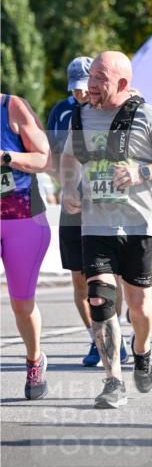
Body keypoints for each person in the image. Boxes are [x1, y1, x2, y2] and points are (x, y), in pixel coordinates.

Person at [60, 51, 152, 408]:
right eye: (91, 78)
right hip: (95, 224)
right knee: (100, 300)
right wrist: (70, 188)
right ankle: (113, 380)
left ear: (121, 83)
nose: (91, 86)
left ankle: (142, 350)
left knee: (139, 304)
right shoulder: (80, 117)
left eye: (99, 79)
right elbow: (70, 156)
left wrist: (142, 172)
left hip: (138, 223)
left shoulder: (147, 117)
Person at [46, 56, 129, 366]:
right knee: (80, 277)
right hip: (73, 204)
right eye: (76, 89)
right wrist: (66, 187)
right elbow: (52, 156)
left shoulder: (113, 108)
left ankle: (114, 332)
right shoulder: (61, 111)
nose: (82, 94)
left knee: (110, 275)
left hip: (107, 200)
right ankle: (96, 337)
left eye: (86, 88)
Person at [1, 93, 52, 399]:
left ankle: (34, 360)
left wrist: (6, 157)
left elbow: (44, 158)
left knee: (22, 303)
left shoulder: (12, 107)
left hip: (22, 220)